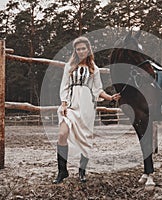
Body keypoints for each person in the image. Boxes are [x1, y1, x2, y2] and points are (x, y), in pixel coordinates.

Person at [53, 36, 121, 184]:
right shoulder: (69, 66)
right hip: (71, 104)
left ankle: (82, 171)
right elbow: (64, 85)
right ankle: (62, 171)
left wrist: (110, 97)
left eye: (83, 48)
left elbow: (97, 90)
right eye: (78, 49)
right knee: (62, 133)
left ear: (88, 49)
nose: (81, 51)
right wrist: (64, 103)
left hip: (86, 107)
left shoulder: (94, 69)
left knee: (85, 139)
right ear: (75, 51)